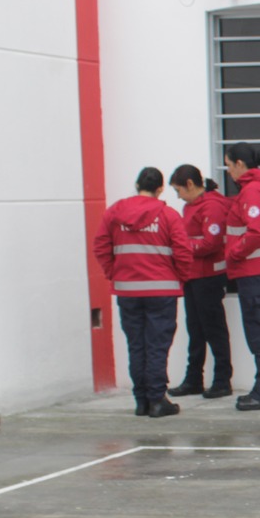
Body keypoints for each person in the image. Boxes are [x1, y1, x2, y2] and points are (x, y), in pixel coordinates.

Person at [92, 166, 196, 418]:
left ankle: (141, 401)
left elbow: (101, 246)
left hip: (128, 291)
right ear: (160, 189)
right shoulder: (168, 215)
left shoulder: (115, 213)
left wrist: (114, 273)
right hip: (162, 291)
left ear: (138, 185)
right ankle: (157, 399)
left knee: (136, 345)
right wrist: (180, 277)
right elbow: (183, 252)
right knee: (157, 346)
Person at [222, 143, 260, 411]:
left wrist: (233, 254)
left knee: (259, 334)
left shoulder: (253, 190)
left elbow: (256, 231)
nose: (227, 171)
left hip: (254, 271)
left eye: (228, 165)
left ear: (239, 164)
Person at [167, 164, 236, 399]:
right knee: (195, 330)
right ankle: (194, 378)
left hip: (209, 277)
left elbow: (210, 243)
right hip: (192, 275)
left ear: (189, 185)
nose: (178, 197)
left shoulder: (212, 207)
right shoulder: (191, 207)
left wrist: (182, 247)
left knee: (213, 329)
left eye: (178, 190)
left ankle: (222, 379)